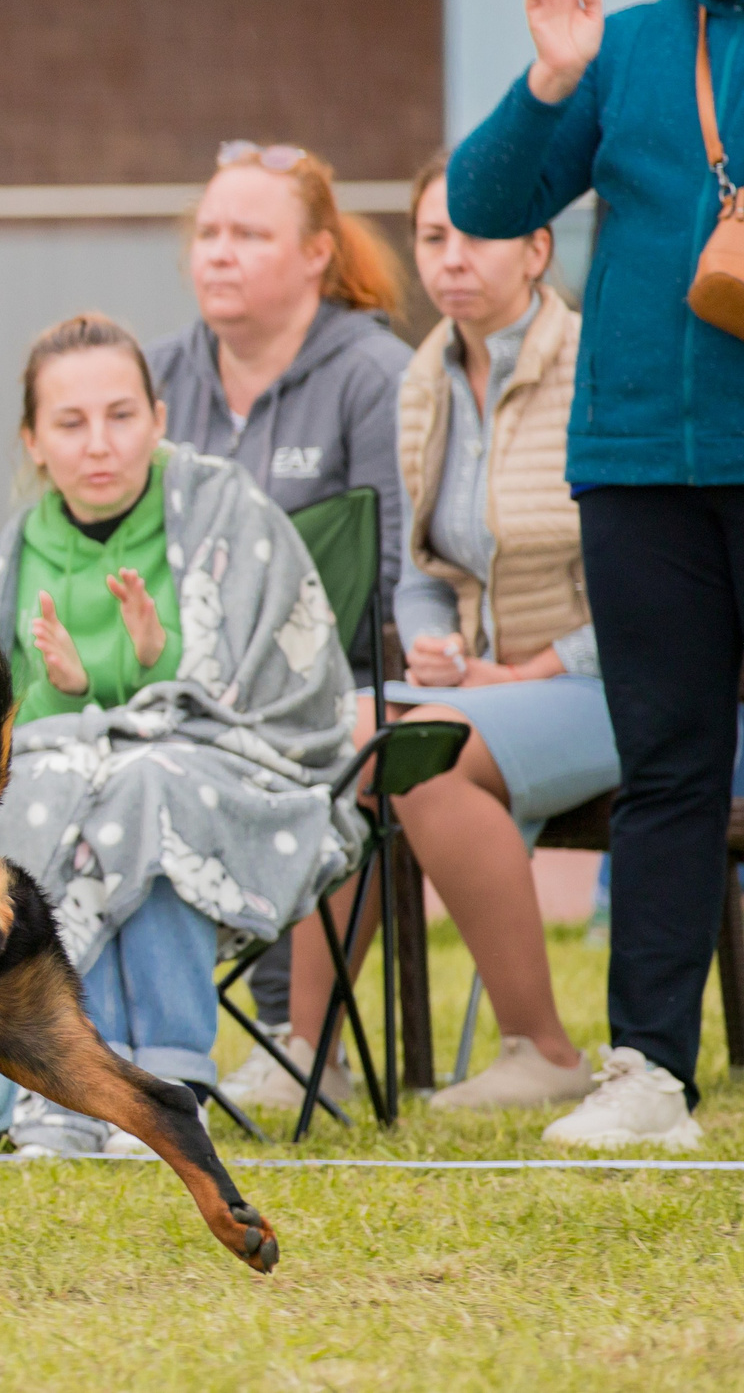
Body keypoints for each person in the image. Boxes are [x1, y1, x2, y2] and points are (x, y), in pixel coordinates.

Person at [447, 0, 744, 1148]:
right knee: (671, 768)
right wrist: (548, 78)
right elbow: (489, 204)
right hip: (638, 463)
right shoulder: (625, 49)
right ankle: (649, 1075)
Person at [244, 162, 617, 1117]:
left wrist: (527, 668)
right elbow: (421, 574)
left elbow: (653, 576)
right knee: (353, 740)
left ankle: (542, 1049)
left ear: (539, 249)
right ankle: (308, 1051)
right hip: (484, 688)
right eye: (432, 237)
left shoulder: (603, 362)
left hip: (615, 680)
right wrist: (434, 645)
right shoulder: (424, 378)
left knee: (425, 756)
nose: (451, 258)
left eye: (477, 234)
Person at [0, 316, 357, 1155]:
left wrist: (153, 667)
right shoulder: (7, 560)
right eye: (70, 424)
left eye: (121, 415)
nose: (98, 444)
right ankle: (67, 1088)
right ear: (32, 441)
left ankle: (167, 1082)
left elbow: (271, 692)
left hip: (235, 773)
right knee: (69, 788)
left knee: (148, 784)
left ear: (159, 416)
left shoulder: (225, 512)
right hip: (75, 787)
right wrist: (69, 694)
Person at [149, 140, 414, 1077]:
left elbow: (391, 567)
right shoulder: (156, 378)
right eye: (209, 233)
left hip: (334, 680)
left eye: (250, 234)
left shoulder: (374, 376)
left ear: (315, 254)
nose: (219, 252)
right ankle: (112, 1045)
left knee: (310, 747)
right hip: (168, 683)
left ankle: (299, 1039)